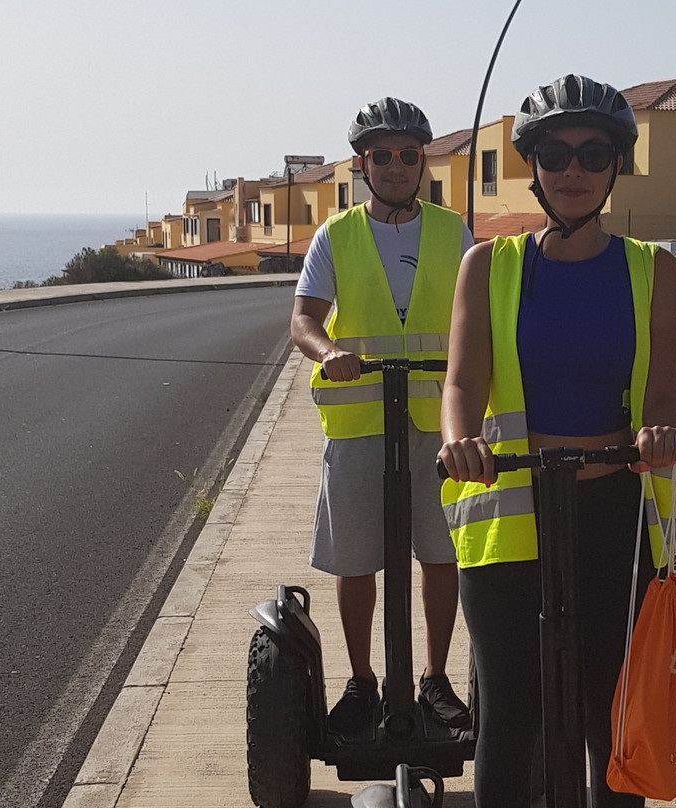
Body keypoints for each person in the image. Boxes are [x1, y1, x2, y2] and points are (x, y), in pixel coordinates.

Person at [437, 75, 676, 807]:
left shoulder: (654, 271)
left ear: (618, 166)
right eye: (554, 153)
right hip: (511, 507)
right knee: (511, 710)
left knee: (611, 710)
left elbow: (665, 390)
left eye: (593, 153)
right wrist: (458, 441)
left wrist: (662, 428)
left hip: (615, 513)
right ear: (534, 166)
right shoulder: (488, 265)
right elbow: (460, 384)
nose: (572, 170)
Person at [291, 96, 474, 734]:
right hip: (360, 425)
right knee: (356, 560)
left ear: (422, 161)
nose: (397, 166)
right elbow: (304, 319)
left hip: (436, 425)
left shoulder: (454, 232)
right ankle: (363, 682)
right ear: (362, 164)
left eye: (408, 154)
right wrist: (329, 351)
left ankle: (436, 679)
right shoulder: (335, 236)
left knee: (441, 554)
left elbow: (474, 317)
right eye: (383, 155)